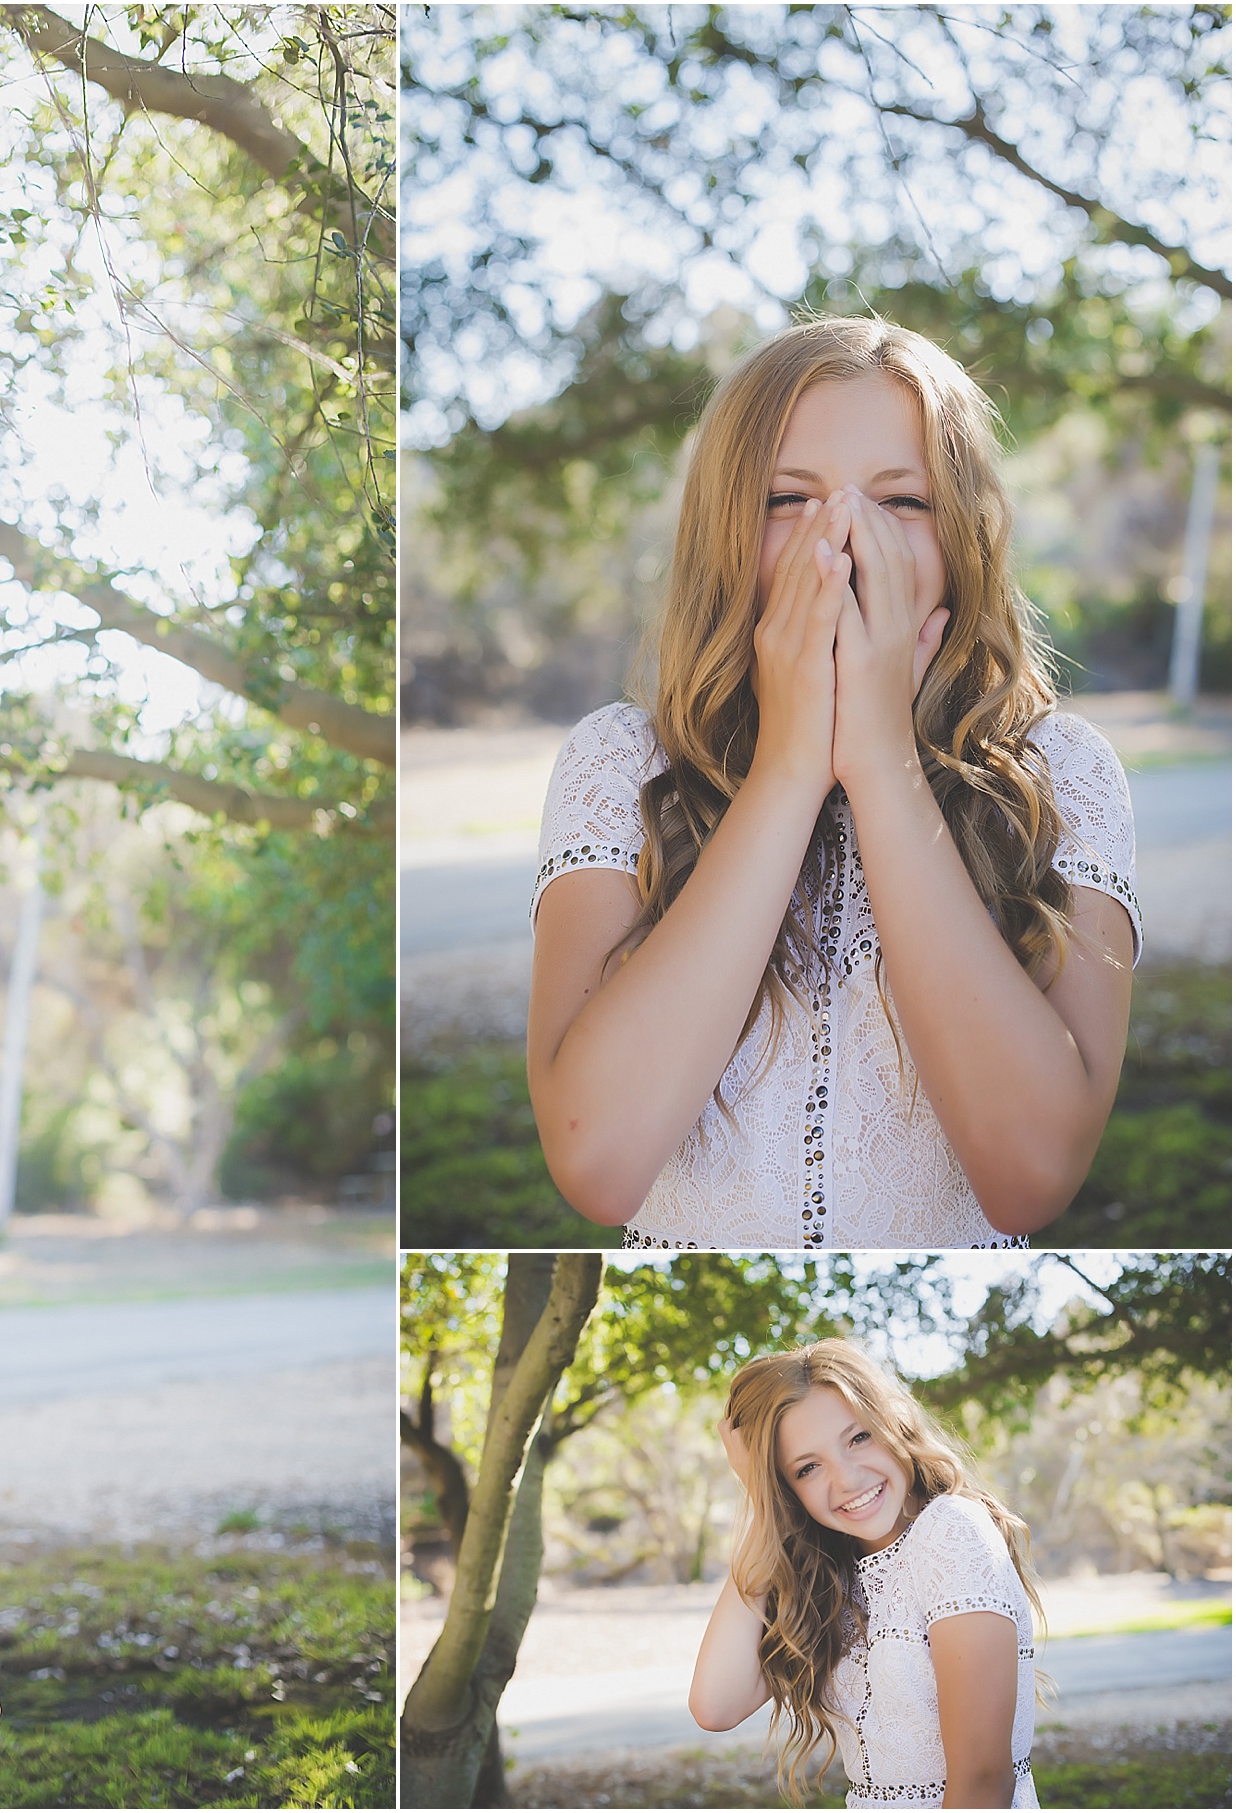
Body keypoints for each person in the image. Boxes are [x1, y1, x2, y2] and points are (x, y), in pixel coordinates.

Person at [527, 316, 1138, 1248]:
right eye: (787, 498)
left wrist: (884, 761)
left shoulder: (1065, 774)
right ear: (725, 528)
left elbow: (1031, 1178)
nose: (844, 541)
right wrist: (790, 767)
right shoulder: (619, 764)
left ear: (964, 534)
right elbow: (598, 1163)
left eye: (901, 502)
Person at [690, 1340, 1040, 1808]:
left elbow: (982, 1779)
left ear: (892, 1424)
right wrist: (761, 1503)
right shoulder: (829, 1573)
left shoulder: (949, 1531)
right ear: (785, 1489)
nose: (848, 1480)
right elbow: (716, 1706)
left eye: (858, 1438)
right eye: (808, 1468)